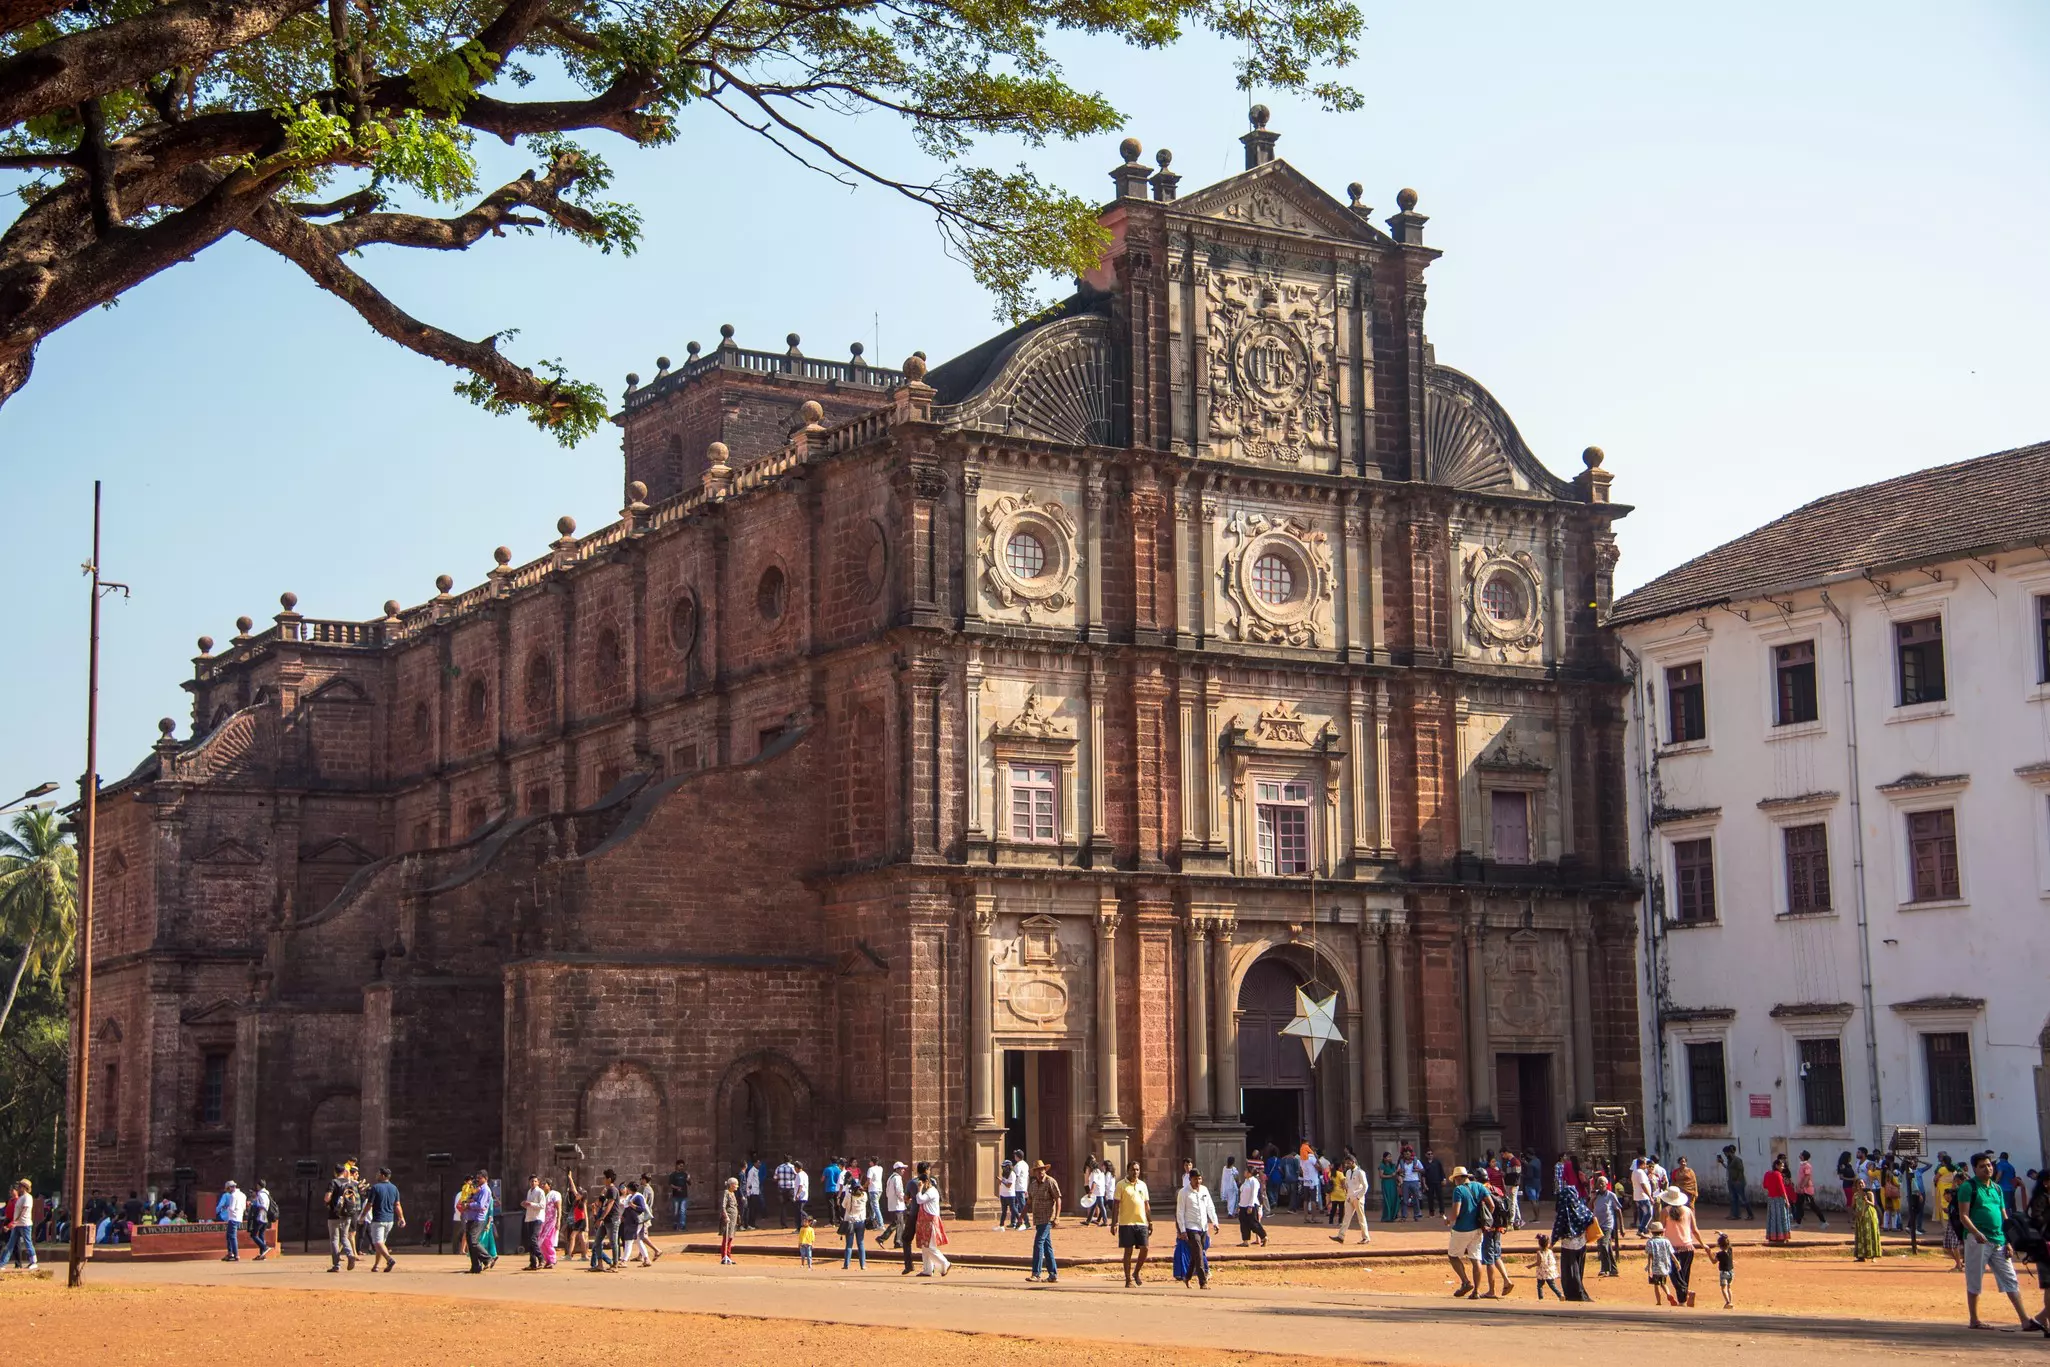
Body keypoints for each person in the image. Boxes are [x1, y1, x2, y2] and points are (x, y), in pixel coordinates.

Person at [1958, 1151, 2032, 1331]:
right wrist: (1975, 1233)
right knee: (1975, 1279)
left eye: (1989, 1165)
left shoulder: (1997, 1188)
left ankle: (2025, 1320)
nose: (1987, 1169)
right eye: (1982, 1166)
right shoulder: (1968, 1187)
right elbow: (1963, 1216)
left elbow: (2003, 1214)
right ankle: (1974, 1320)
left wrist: (2008, 1240)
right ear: (1975, 1169)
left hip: (1999, 1240)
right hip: (1978, 1241)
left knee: (2010, 1278)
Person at [1443, 1166, 1487, 1299]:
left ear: (1458, 1178)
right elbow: (1491, 1205)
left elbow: (1456, 1213)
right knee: (1476, 1258)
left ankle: (1466, 1282)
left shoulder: (1459, 1190)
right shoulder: (1479, 1186)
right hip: (1478, 1228)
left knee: (1453, 1256)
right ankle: (1477, 1291)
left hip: (1462, 1228)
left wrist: (1448, 1221)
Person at [1553, 1175, 1597, 1300]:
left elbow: (1558, 1226)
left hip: (1568, 1244)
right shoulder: (1582, 1208)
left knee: (1570, 1271)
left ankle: (1574, 1294)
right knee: (1579, 1268)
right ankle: (1580, 1291)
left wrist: (1552, 1241)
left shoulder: (1564, 1210)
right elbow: (1591, 1219)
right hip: (1582, 1243)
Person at [1175, 1169, 1219, 1290]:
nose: (1198, 1181)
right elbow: (1180, 1212)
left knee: (1196, 1255)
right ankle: (1203, 1282)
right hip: (1191, 1227)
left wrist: (1215, 1222)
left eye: (1199, 1179)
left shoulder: (1204, 1190)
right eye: (1195, 1179)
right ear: (1190, 1179)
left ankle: (1187, 1277)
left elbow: (1210, 1206)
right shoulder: (1183, 1193)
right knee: (1199, 1254)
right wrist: (1182, 1230)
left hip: (1203, 1226)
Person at [1660, 1186, 1700, 1306]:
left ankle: (1686, 1292)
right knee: (1684, 1274)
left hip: (1671, 1248)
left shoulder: (1665, 1211)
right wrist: (1703, 1244)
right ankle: (1682, 1302)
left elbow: (1661, 1230)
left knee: (1674, 1274)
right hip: (1687, 1247)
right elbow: (1695, 1230)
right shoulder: (1688, 1210)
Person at [1115, 1160, 1151, 1287]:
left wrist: (1150, 1221)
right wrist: (1114, 1223)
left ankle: (1136, 1272)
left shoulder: (1143, 1185)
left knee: (1145, 1248)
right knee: (1128, 1251)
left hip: (1141, 1222)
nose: (1135, 1172)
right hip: (1126, 1223)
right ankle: (1128, 1279)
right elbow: (1116, 1205)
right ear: (1127, 1171)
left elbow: (1146, 1204)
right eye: (1133, 1169)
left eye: (1137, 1170)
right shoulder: (1121, 1185)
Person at [1025, 1159, 1060, 1283]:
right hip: (1038, 1219)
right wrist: (1021, 1217)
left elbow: (1058, 1198)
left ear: (1045, 1170)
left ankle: (1036, 1273)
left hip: (1047, 1218)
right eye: (1038, 1170)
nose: (1040, 1172)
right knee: (1047, 1246)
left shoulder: (1050, 1182)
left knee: (1038, 1243)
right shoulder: (1033, 1185)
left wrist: (1057, 1217)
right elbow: (1029, 1201)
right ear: (1034, 1172)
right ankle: (1053, 1274)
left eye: (1042, 1169)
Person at [365, 1168, 404, 1272]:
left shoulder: (375, 1188)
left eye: (378, 1174)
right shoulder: (394, 1188)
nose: (376, 1175)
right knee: (381, 1243)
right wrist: (401, 1217)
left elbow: (369, 1204)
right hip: (389, 1220)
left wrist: (362, 1216)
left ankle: (389, 1259)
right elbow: (397, 1205)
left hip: (378, 1219)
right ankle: (376, 1265)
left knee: (377, 1243)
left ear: (382, 1175)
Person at [325, 1162, 362, 1271]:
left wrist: (327, 1202)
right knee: (344, 1237)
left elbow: (327, 1198)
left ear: (335, 1172)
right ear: (344, 1171)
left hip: (334, 1214)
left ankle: (336, 1265)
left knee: (334, 1239)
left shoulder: (333, 1182)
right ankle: (350, 1254)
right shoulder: (349, 1183)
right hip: (347, 1214)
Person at [914, 1168, 950, 1277]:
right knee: (925, 1247)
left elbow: (919, 1200)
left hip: (930, 1223)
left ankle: (945, 1263)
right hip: (925, 1222)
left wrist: (919, 1189)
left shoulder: (931, 1192)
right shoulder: (930, 1191)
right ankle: (927, 1269)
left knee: (930, 1247)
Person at [462, 1171, 496, 1273]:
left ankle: (487, 1258)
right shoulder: (478, 1189)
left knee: (473, 1241)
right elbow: (471, 1199)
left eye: (480, 1178)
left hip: (478, 1219)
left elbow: (481, 1205)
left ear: (485, 1178)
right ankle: (475, 1266)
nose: (478, 1180)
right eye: (477, 1178)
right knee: (470, 1242)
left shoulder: (485, 1190)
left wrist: (469, 1205)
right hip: (471, 1217)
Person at [1590, 1173, 1622, 1277]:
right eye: (1598, 1183)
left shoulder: (1611, 1195)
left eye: (1602, 1183)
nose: (1600, 1185)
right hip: (1598, 1225)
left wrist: (1622, 1228)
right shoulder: (1596, 1195)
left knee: (1603, 1245)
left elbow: (1619, 1211)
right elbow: (1589, 1207)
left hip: (1608, 1224)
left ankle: (1605, 1268)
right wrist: (1593, 1198)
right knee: (1606, 1247)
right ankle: (1613, 1269)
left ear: (1606, 1184)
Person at [1333, 1154, 1369, 1244]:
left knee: (1361, 1218)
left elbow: (1365, 1186)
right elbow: (1348, 1185)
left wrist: (1358, 1196)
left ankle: (1366, 1237)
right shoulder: (1348, 1172)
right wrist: (1347, 1195)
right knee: (1346, 1217)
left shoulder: (1360, 1172)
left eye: (1348, 1163)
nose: (1346, 1165)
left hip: (1358, 1198)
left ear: (1353, 1162)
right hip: (1349, 1197)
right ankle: (1341, 1236)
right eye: (1346, 1163)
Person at [1645, 1221, 1679, 1306]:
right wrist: (1677, 1262)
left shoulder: (1650, 1242)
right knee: (1663, 1283)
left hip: (1655, 1267)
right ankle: (1668, 1294)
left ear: (1652, 1232)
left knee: (1656, 1285)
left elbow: (1650, 1256)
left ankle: (1659, 1301)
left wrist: (1649, 1268)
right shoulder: (1666, 1241)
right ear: (1662, 1232)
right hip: (1664, 1266)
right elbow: (1671, 1253)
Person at [1761, 1155, 1793, 1244]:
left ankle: (1772, 1236)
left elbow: (1765, 1185)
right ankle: (1781, 1236)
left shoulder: (1767, 1173)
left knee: (1772, 1218)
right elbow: (1782, 1189)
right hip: (1779, 1199)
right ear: (1777, 1166)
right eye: (1781, 1166)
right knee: (1781, 1218)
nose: (1783, 1167)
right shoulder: (1778, 1174)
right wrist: (1786, 1200)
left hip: (1771, 1199)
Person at [841, 1174, 869, 1270]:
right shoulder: (864, 1196)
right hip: (861, 1221)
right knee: (860, 1243)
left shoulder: (849, 1196)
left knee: (849, 1244)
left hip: (850, 1221)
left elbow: (843, 1205)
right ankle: (863, 1265)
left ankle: (846, 1265)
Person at [214, 1180, 246, 1261]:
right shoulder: (243, 1195)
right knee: (229, 1236)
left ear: (230, 1188)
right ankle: (230, 1253)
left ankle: (236, 1255)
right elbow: (244, 1208)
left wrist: (224, 1209)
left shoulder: (233, 1196)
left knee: (232, 1236)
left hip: (233, 1218)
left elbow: (231, 1208)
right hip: (239, 1217)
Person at [1237, 1160, 1267, 1247]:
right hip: (1243, 1205)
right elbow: (1242, 1194)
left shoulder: (1254, 1181)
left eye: (1246, 1171)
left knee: (1253, 1222)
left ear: (1250, 1173)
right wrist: (1239, 1205)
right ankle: (1245, 1241)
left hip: (1251, 1205)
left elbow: (1254, 1194)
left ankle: (1263, 1237)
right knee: (1243, 1223)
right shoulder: (1246, 1181)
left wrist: (1250, 1205)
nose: (1244, 1172)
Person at [1793, 1150, 1827, 1227]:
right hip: (1802, 1189)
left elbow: (1807, 1176)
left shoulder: (1807, 1166)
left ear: (1803, 1156)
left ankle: (1823, 1221)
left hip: (1806, 1189)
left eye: (1801, 1154)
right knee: (1799, 1205)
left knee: (1812, 1205)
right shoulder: (1802, 1165)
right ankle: (1798, 1222)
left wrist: (1802, 1186)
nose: (1799, 1155)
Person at [1851, 1178, 1882, 1262]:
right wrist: (1855, 1213)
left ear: (1865, 1184)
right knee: (1861, 1235)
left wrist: (1867, 1200)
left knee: (1870, 1234)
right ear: (1857, 1186)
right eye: (1859, 1184)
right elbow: (1852, 1206)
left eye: (1862, 1183)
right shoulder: (1856, 1195)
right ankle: (1861, 1256)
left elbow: (1873, 1204)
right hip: (1860, 1217)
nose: (1861, 1185)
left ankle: (1873, 1256)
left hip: (1870, 1216)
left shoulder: (1869, 1193)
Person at [881, 1162, 908, 1249]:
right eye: (901, 1168)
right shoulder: (897, 1178)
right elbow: (899, 1191)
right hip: (897, 1204)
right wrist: (904, 1198)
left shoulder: (891, 1178)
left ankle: (898, 1241)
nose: (903, 1170)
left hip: (894, 1204)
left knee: (900, 1223)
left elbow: (888, 1192)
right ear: (897, 1169)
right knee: (897, 1223)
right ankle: (882, 1238)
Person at [523, 1173, 547, 1269]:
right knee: (530, 1241)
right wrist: (525, 1204)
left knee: (533, 1239)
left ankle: (541, 1258)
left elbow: (542, 1205)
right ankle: (533, 1263)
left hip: (537, 1218)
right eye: (532, 1181)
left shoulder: (540, 1192)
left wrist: (531, 1204)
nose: (533, 1183)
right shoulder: (529, 1191)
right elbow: (529, 1205)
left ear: (538, 1182)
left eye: (535, 1181)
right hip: (529, 1218)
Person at [538, 1178, 561, 1268]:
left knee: (548, 1239)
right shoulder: (542, 1195)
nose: (542, 1185)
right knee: (541, 1241)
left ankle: (552, 1259)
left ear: (549, 1185)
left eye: (545, 1184)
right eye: (542, 1184)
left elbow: (559, 1208)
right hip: (543, 1221)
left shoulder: (555, 1194)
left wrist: (558, 1220)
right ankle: (547, 1259)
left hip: (551, 1221)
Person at [247, 1179, 273, 1261]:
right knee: (261, 1233)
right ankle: (262, 1254)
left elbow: (263, 1205)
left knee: (253, 1234)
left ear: (259, 1186)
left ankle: (264, 1247)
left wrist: (253, 1204)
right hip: (265, 1217)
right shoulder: (266, 1193)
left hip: (261, 1216)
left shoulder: (261, 1194)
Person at [717, 1176, 740, 1265]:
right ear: (731, 1185)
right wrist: (726, 1216)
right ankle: (724, 1257)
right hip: (728, 1219)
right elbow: (723, 1206)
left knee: (730, 1238)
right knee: (726, 1239)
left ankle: (729, 1256)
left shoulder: (733, 1193)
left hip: (733, 1219)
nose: (737, 1186)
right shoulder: (726, 1193)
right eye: (735, 1185)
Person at [1534, 1233, 1562, 1299]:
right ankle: (1560, 1295)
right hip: (1549, 1271)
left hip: (1541, 1272)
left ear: (1539, 1243)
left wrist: (1530, 1266)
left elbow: (1538, 1263)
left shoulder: (1539, 1252)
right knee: (1552, 1285)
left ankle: (1541, 1298)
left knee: (1539, 1286)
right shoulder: (1550, 1251)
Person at [1711, 1230, 1735, 1308]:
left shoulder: (1719, 1254)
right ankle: (1730, 1302)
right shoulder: (1730, 1250)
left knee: (1723, 1288)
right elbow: (1726, 1236)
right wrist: (1720, 1233)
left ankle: (1728, 1302)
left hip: (1724, 1273)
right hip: (1731, 1272)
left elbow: (1713, 1261)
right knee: (1729, 1288)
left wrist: (1708, 1252)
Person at [667, 1158, 690, 1232]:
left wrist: (688, 1179)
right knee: (675, 1212)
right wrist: (677, 1188)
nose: (681, 1167)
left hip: (684, 1196)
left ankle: (682, 1226)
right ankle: (675, 1224)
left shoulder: (685, 1174)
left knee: (683, 1211)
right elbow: (670, 1184)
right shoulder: (673, 1175)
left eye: (682, 1166)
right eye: (680, 1166)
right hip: (676, 1196)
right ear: (677, 1166)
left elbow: (689, 1183)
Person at [1379, 1152, 1399, 1225]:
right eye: (1388, 1157)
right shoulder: (1382, 1165)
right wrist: (1390, 1175)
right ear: (1384, 1158)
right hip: (1386, 1183)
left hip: (1393, 1183)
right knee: (1388, 1199)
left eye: (1390, 1157)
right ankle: (1386, 1217)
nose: (1390, 1158)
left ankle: (1393, 1216)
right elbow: (1381, 1175)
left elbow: (1395, 1174)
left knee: (1394, 1199)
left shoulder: (1392, 1165)